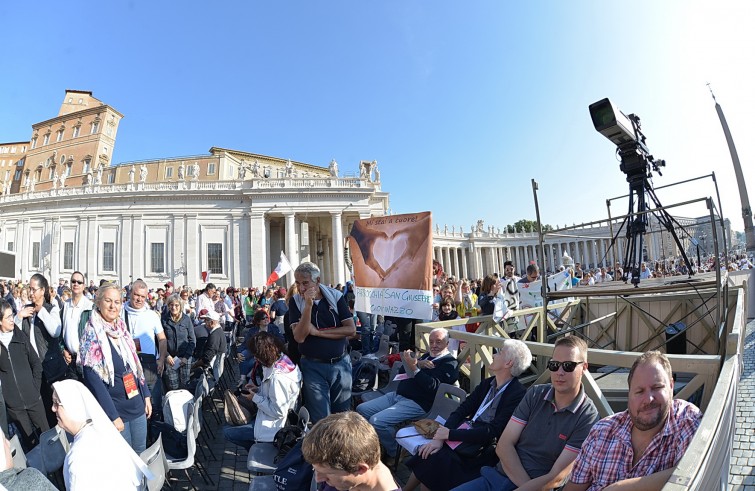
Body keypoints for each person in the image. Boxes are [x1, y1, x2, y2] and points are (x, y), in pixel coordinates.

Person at [452, 336, 600, 491]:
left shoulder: (587, 416)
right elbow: (503, 446)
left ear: (584, 367)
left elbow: (557, 477)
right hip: (499, 478)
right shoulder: (535, 394)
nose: (559, 372)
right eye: (554, 365)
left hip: (540, 486)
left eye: (568, 366)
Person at [563, 351, 702, 491]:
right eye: (639, 391)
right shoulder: (602, 431)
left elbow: (692, 473)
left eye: (657, 388)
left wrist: (619, 488)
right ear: (629, 395)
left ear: (671, 386)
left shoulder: (686, 419)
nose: (648, 399)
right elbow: (573, 488)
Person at [406, 339, 530, 491]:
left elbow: (493, 432)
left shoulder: (517, 394)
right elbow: (462, 410)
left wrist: (449, 434)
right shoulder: (488, 383)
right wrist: (440, 437)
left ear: (508, 363)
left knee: (437, 460)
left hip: (482, 449)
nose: (494, 355)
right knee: (430, 452)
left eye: (499, 352)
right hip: (466, 436)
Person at [356, 328, 458, 458]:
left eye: (438, 342)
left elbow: (433, 387)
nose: (434, 345)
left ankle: (395, 451)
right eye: (431, 342)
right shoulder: (427, 356)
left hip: (417, 403)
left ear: (447, 344)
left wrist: (415, 368)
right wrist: (418, 364)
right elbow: (401, 373)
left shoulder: (449, 363)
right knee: (362, 409)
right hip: (397, 395)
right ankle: (380, 441)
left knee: (377, 421)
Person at [80, 283, 152, 454]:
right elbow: (94, 381)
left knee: (141, 453)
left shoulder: (121, 327)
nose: (113, 306)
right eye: (108, 301)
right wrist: (113, 416)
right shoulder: (92, 334)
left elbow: (135, 366)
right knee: (125, 460)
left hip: (137, 404)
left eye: (117, 302)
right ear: (98, 302)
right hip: (117, 411)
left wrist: (146, 395)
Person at [52, 379, 152, 490]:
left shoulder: (78, 457)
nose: (52, 408)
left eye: (56, 404)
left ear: (73, 407)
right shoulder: (103, 432)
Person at [289, 262, 356, 423]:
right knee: (321, 418)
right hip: (313, 366)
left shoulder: (335, 296)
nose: (301, 288)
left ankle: (340, 447)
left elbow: (351, 330)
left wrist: (318, 333)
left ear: (317, 280)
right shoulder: (296, 301)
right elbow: (299, 337)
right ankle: (324, 447)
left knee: (342, 416)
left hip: (341, 365)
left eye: (305, 282)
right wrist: (308, 307)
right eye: (298, 283)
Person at [223, 332, 302, 450]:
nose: (255, 358)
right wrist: (258, 389)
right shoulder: (283, 359)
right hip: (275, 418)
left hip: (274, 426)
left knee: (227, 432)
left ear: (264, 354)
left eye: (256, 355)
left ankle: (260, 448)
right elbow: (277, 394)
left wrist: (254, 397)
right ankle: (257, 447)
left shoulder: (278, 377)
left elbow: (278, 411)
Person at [302, 412, 400, 491]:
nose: (318, 479)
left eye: (329, 473)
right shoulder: (339, 473)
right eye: (315, 469)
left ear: (361, 469)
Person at [0, 298, 49, 448]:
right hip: (15, 408)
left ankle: (57, 471)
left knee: (47, 439)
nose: (12, 319)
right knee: (31, 445)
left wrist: (35, 388)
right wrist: (8, 399)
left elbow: (36, 364)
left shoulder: (20, 337)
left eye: (12, 315)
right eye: (8, 317)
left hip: (34, 399)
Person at [16, 273, 62, 426]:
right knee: (42, 408)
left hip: (50, 368)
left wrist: (41, 311)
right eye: (29, 289)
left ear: (42, 290)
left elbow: (55, 331)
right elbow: (14, 336)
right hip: (33, 369)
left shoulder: (52, 309)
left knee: (56, 406)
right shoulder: (26, 310)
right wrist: (19, 317)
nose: (30, 293)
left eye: (33, 289)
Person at [123, 280, 167, 412]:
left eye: (143, 297)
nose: (139, 299)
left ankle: (153, 432)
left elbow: (162, 339)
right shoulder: (120, 312)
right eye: (137, 295)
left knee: (154, 405)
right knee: (133, 402)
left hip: (149, 366)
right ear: (130, 294)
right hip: (128, 365)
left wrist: (161, 359)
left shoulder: (152, 315)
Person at [61, 271, 93, 379]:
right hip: (70, 361)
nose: (76, 284)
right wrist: (63, 349)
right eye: (73, 281)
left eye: (79, 282)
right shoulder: (65, 306)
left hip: (86, 361)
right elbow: (61, 331)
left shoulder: (89, 307)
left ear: (83, 286)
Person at [161, 293, 196, 391]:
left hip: (185, 357)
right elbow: (159, 340)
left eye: (176, 305)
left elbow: (192, 340)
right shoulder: (164, 320)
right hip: (170, 358)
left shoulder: (186, 319)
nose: (174, 307)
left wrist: (186, 357)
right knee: (173, 385)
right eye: (171, 305)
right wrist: (166, 355)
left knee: (185, 385)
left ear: (180, 306)